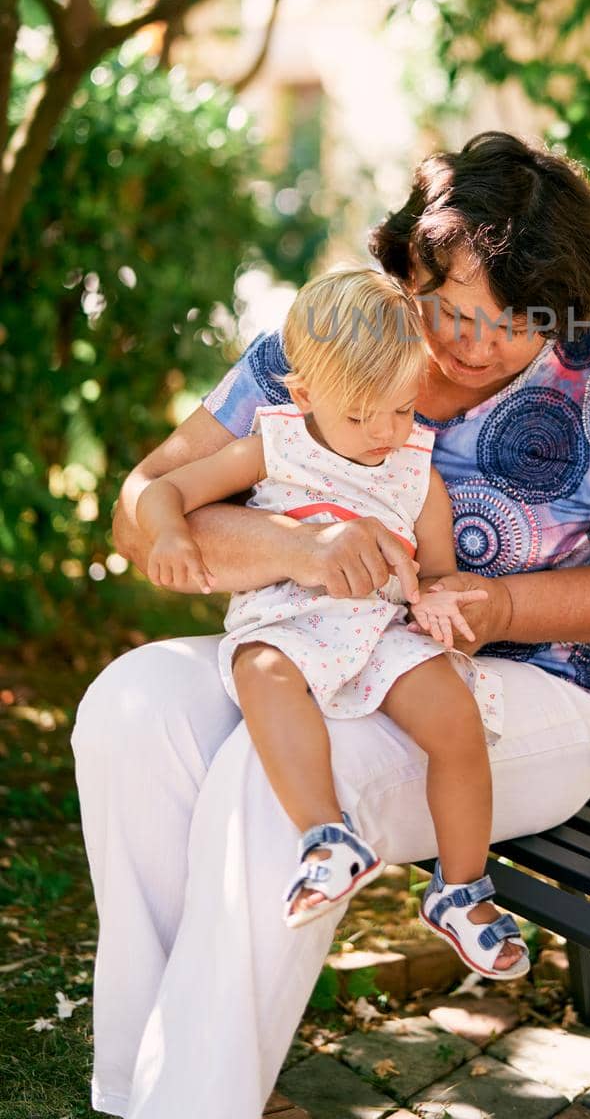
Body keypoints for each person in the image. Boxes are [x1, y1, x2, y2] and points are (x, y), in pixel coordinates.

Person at [72, 129, 590, 1119]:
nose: (475, 344)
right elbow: (147, 505)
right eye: (454, 310)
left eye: (517, 324)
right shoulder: (333, 339)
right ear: (407, 268)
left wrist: (502, 602)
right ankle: (140, 1090)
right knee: (132, 705)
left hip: (527, 693)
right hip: (312, 633)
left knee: (273, 776)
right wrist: (298, 550)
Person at [133, 263, 527, 973]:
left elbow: (435, 568)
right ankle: (328, 837)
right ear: (308, 394)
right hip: (290, 617)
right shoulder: (273, 445)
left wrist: (438, 595)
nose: (385, 432)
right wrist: (169, 534)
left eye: (403, 409)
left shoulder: (415, 470)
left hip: (382, 628)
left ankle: (461, 889)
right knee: (262, 673)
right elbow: (164, 491)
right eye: (360, 414)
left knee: (458, 722)